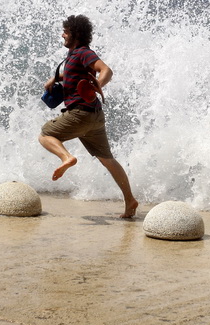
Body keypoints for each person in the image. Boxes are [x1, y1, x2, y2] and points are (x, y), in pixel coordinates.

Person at [38, 15, 139, 219]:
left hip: (80, 113)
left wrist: (98, 85)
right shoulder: (74, 56)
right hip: (95, 116)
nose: (62, 34)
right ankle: (130, 201)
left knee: (45, 135)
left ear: (75, 34)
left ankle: (67, 157)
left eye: (65, 31)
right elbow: (75, 74)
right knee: (107, 159)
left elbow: (106, 70)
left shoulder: (84, 52)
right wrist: (55, 78)